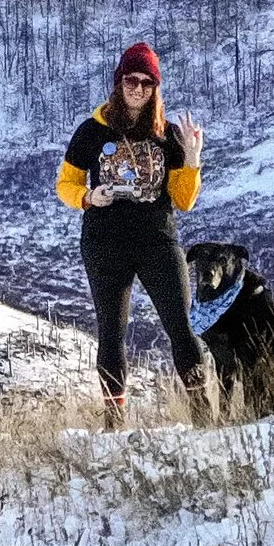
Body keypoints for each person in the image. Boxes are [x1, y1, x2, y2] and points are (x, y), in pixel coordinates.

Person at [57, 41, 216, 428]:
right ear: (119, 81)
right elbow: (65, 183)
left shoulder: (169, 135)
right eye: (132, 80)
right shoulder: (91, 131)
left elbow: (184, 200)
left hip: (158, 241)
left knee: (181, 326)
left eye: (148, 83)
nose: (139, 89)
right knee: (111, 332)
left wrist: (192, 159)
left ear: (155, 89)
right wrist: (88, 197)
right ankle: (115, 425)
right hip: (104, 243)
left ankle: (206, 421)